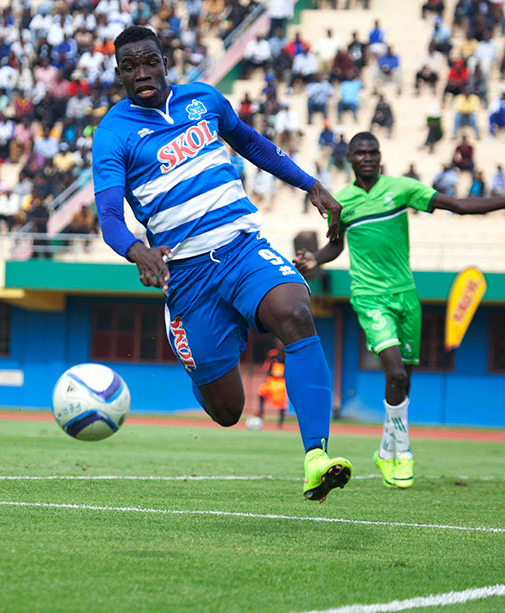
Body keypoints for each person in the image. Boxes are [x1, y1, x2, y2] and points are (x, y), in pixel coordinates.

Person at [92, 26, 351, 503]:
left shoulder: (204, 100)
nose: (142, 73)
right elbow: (109, 217)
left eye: (150, 61)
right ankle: (197, 355)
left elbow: (252, 144)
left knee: (294, 311)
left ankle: (316, 455)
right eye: (130, 67)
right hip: (187, 277)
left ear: (165, 62)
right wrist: (137, 250)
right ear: (119, 74)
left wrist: (309, 183)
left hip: (240, 246)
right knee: (229, 410)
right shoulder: (113, 133)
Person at [294, 132, 505, 488]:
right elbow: (334, 247)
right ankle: (403, 452)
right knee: (396, 374)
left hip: (406, 297)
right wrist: (314, 258)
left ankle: (385, 452)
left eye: (373, 152)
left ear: (380, 157)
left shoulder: (402, 189)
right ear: (350, 159)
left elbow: (459, 205)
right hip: (370, 297)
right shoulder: (343, 201)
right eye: (360, 153)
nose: (368, 157)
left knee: (404, 383)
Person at [256, 342, 288, 428]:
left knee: (281, 402)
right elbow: (267, 367)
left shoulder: (288, 355)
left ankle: (280, 422)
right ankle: (261, 412)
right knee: (261, 391)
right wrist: (266, 379)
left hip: (281, 381)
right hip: (272, 380)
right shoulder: (272, 354)